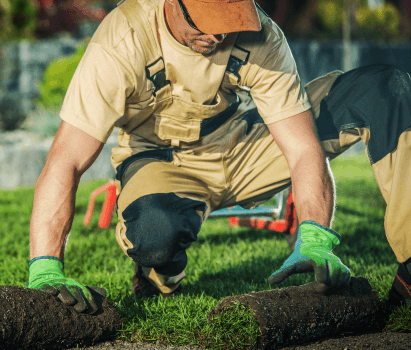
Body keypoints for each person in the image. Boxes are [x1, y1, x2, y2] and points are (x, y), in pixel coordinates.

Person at [26, 0, 411, 314]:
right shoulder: (122, 38)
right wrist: (45, 266)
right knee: (156, 235)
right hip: (162, 160)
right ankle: (160, 273)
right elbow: (67, 159)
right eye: (206, 21)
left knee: (384, 88)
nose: (216, 35)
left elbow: (301, 148)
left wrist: (313, 237)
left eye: (228, 20)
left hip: (243, 141)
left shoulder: (262, 35)